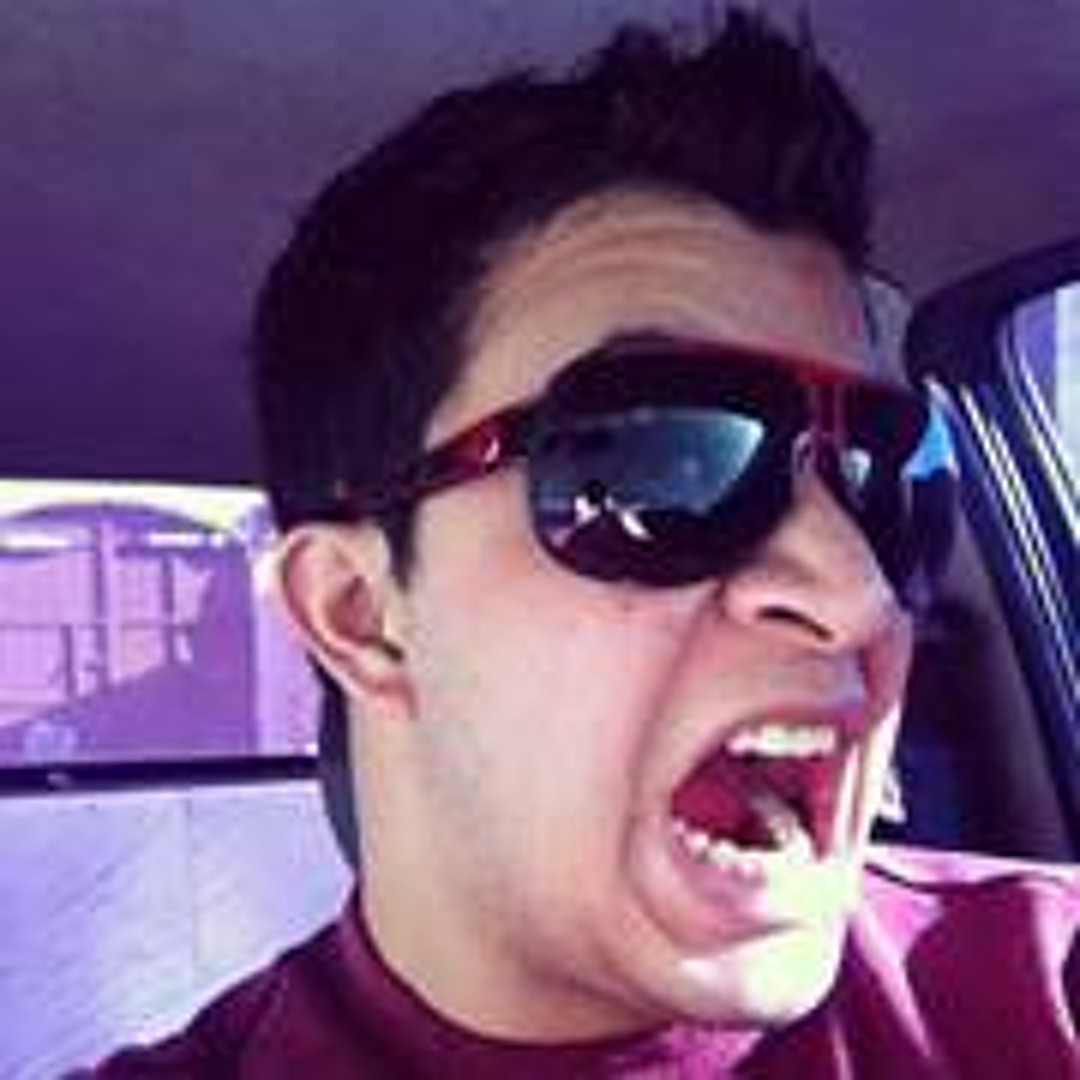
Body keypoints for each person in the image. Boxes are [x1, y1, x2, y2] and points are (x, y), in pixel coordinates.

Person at [86, 8, 1078, 1077]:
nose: (859, 592)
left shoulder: (1038, 989)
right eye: (663, 460)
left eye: (883, 479)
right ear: (360, 615)